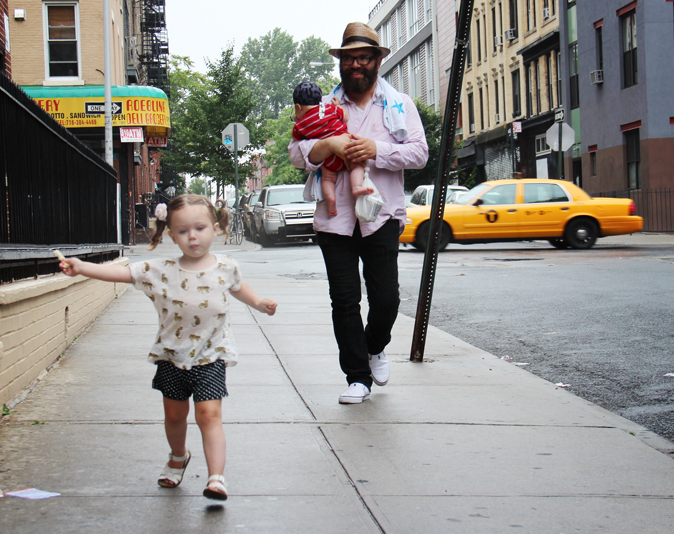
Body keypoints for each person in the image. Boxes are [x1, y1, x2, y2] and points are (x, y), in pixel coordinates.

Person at [58, 194, 277, 500]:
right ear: (172, 236)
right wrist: (82, 267)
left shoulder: (226, 266)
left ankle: (216, 478)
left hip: (211, 356)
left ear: (215, 229)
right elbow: (122, 273)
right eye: (183, 231)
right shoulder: (160, 270)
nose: (193, 236)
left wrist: (259, 302)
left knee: (209, 416)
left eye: (200, 228)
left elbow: (240, 288)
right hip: (171, 356)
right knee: (174, 417)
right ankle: (178, 456)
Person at [289, 22, 429, 405]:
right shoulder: (325, 106)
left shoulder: (399, 105)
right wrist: (328, 145)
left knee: (386, 299)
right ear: (341, 63)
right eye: (349, 58)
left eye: (363, 57)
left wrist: (375, 150)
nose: (355, 64)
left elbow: (419, 153)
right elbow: (297, 151)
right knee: (345, 300)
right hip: (334, 218)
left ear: (377, 62)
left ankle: (375, 346)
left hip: (381, 215)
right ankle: (357, 377)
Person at [291, 81, 372, 216]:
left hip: (328, 159)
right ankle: (357, 186)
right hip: (346, 149)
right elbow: (345, 117)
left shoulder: (300, 125)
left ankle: (331, 199)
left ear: (298, 107)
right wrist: (338, 106)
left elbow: (295, 139)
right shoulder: (329, 109)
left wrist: (298, 120)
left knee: (327, 179)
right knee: (357, 166)